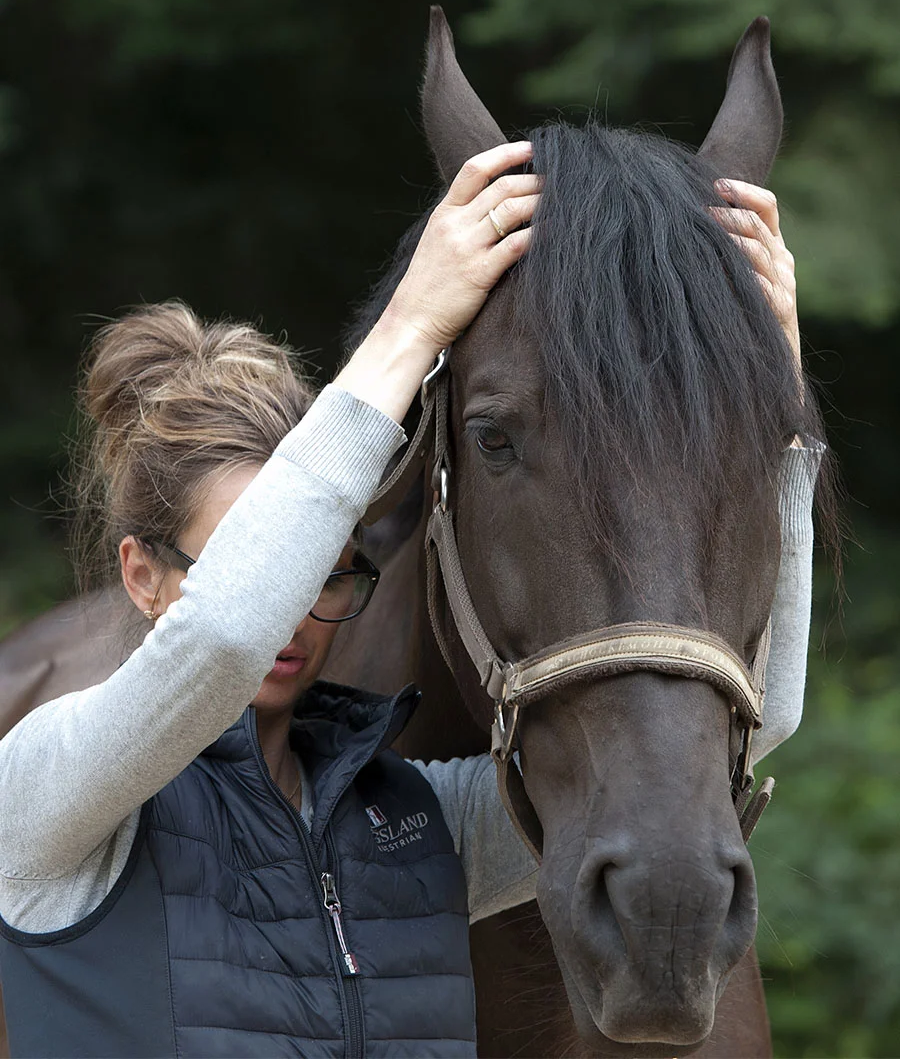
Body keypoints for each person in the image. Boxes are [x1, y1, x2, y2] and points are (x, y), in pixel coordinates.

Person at [0, 143, 818, 1058]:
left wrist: (772, 397)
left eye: (325, 573)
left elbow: (761, 713)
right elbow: (226, 641)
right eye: (251, 565)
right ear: (144, 577)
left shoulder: (418, 829)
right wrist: (409, 334)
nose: (290, 608)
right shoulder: (45, 788)